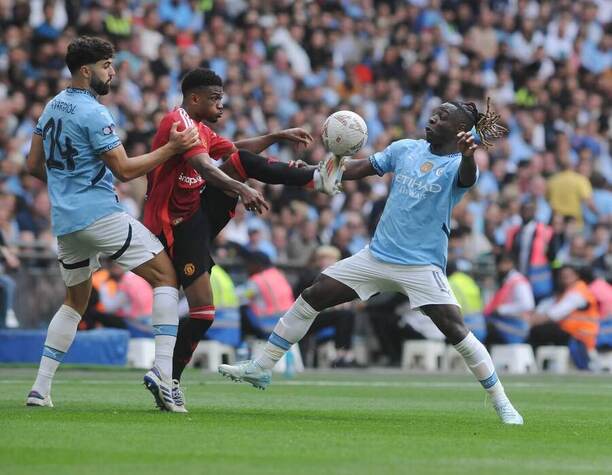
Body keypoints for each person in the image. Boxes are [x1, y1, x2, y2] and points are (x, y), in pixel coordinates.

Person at [220, 98, 525, 424]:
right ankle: (263, 367)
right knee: (314, 293)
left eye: (442, 117)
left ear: (460, 130)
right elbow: (360, 168)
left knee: (456, 331)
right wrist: (320, 171)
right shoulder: (407, 148)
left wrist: (468, 155)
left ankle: (502, 402)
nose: (432, 118)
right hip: (378, 256)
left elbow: (467, 176)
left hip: (421, 265)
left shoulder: (459, 165)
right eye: (434, 113)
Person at [143, 68, 342, 410]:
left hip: (197, 215)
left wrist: (276, 135)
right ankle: (169, 378)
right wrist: (242, 188)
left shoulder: (202, 128)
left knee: (240, 160)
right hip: (175, 225)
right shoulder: (177, 124)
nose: (222, 105)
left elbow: (235, 150)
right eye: (215, 99)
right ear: (194, 99)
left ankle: (315, 178)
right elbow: (206, 168)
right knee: (204, 313)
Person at [24, 36, 200, 412]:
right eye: (107, 66)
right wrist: (172, 148)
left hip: (67, 221)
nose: (113, 72)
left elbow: (32, 165)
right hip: (100, 214)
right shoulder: (94, 112)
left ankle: (40, 388)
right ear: (86, 70)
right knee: (166, 278)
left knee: (74, 301)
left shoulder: (52, 106)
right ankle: (163, 375)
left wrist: (65, 186)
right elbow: (123, 169)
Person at [528, 265, 600, 369]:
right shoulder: (567, 291)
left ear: (576, 276)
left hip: (580, 335)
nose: (564, 278)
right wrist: (534, 317)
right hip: (572, 332)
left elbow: (555, 314)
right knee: (540, 330)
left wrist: (533, 320)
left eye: (568, 275)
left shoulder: (578, 292)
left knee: (538, 331)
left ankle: (532, 364)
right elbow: (547, 306)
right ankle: (539, 362)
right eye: (562, 275)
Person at [505, 199, 554, 301]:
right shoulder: (514, 231)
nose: (527, 212)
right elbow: (509, 251)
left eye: (530, 209)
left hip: (537, 272)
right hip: (519, 271)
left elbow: (551, 253)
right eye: (524, 209)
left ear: (535, 211)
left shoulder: (545, 230)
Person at [484, 254, 535, 345]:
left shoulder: (517, 281)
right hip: (506, 322)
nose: (501, 267)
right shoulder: (505, 280)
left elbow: (527, 304)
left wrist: (501, 310)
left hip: (517, 326)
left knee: (486, 325)